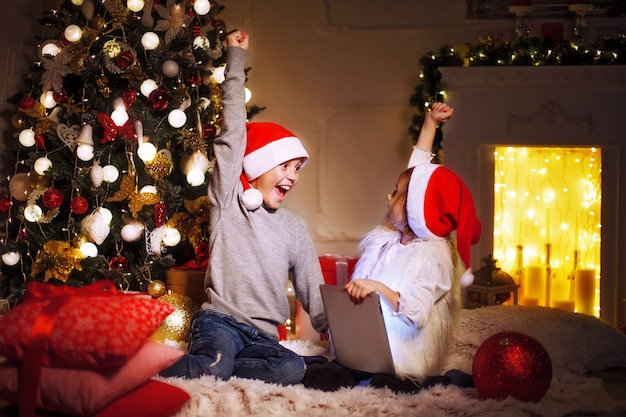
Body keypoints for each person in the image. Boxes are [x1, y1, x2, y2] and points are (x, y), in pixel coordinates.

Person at [160, 30, 327, 385]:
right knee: (212, 366)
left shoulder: (293, 228)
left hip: (263, 339)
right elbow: (232, 133)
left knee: (292, 367)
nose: (293, 176)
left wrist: (344, 335)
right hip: (220, 323)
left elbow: (315, 292)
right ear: (257, 166)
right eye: (285, 165)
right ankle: (149, 368)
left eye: (298, 169)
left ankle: (229, 368)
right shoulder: (229, 201)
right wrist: (236, 61)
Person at [303, 103, 481, 393]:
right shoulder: (388, 239)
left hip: (407, 362)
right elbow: (416, 173)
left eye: (396, 193)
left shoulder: (434, 257)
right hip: (373, 352)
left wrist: (379, 289)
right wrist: (429, 124)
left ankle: (442, 380)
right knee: (322, 375)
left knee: (384, 386)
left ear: (415, 209)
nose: (389, 196)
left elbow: (418, 313)